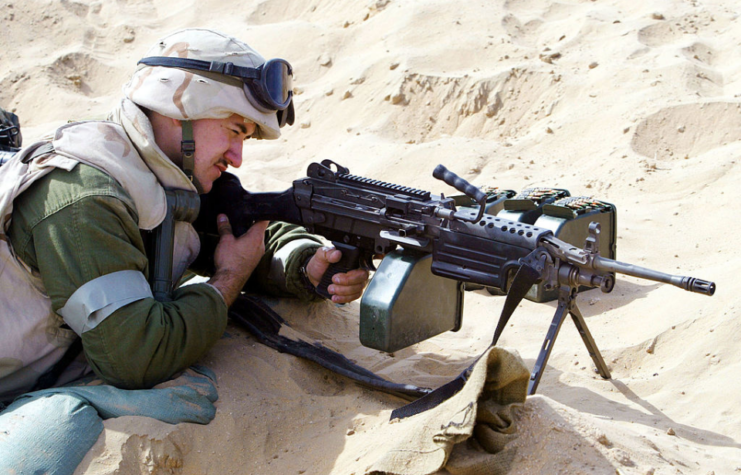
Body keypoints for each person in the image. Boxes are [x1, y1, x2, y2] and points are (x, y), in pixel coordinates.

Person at [0, 28, 369, 403]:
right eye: (234, 131)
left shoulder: (162, 167)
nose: (237, 156)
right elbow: (137, 358)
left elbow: (242, 232)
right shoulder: (86, 198)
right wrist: (229, 278)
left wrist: (306, 264)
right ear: (183, 109)